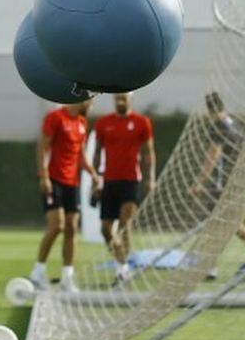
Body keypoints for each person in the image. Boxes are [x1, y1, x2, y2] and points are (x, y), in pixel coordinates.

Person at [30, 100, 99, 291]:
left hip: (72, 184)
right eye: (91, 103)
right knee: (57, 225)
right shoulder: (55, 118)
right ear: (83, 100)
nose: (91, 107)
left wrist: (94, 175)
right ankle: (37, 272)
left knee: (71, 228)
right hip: (53, 179)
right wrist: (43, 176)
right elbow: (42, 147)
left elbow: (81, 155)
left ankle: (67, 277)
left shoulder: (82, 123)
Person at [192, 91, 245, 257]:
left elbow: (213, 155)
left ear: (209, 110)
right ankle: (210, 266)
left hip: (223, 182)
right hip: (239, 180)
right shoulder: (234, 125)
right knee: (222, 223)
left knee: (226, 222)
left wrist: (200, 182)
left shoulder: (218, 126)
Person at [91, 92, 156, 270]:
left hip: (131, 180)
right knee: (105, 229)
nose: (120, 101)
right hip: (109, 181)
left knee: (125, 223)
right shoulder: (103, 123)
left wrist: (150, 178)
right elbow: (97, 153)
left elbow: (148, 153)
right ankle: (122, 261)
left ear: (131, 99)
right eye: (117, 98)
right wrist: (95, 180)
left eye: (124, 98)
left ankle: (124, 268)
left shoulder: (142, 122)